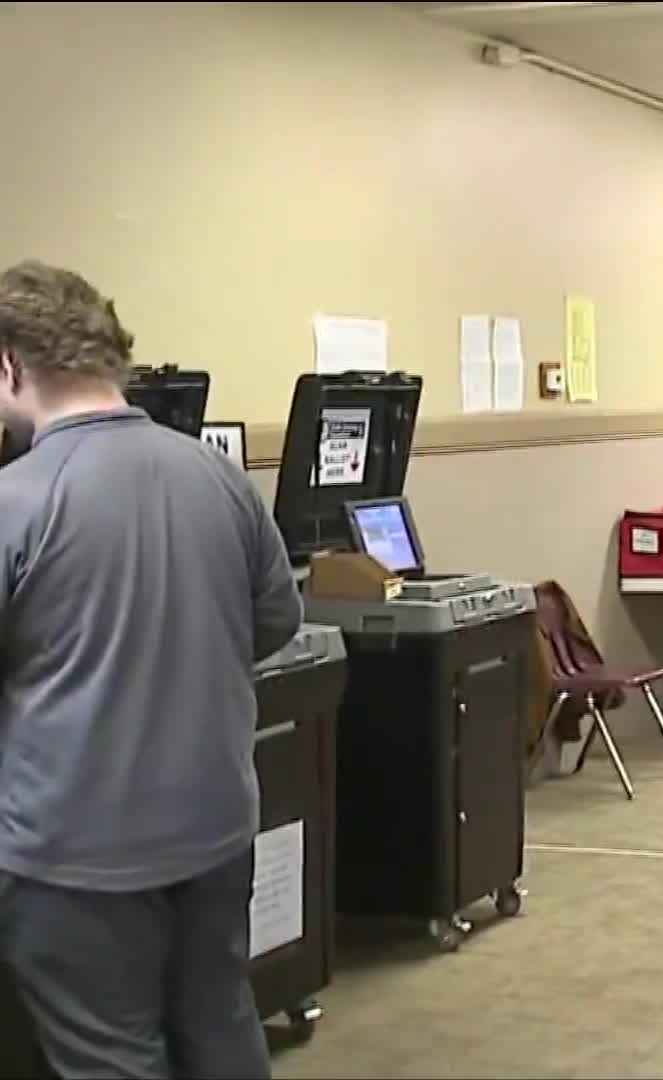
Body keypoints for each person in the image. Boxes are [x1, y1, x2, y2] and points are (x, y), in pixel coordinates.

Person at [0, 260, 303, 1076]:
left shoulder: (18, 499)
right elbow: (277, 618)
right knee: (221, 1025)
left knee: (110, 1056)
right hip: (214, 827)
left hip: (75, 854)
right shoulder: (218, 477)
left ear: (9, 365)